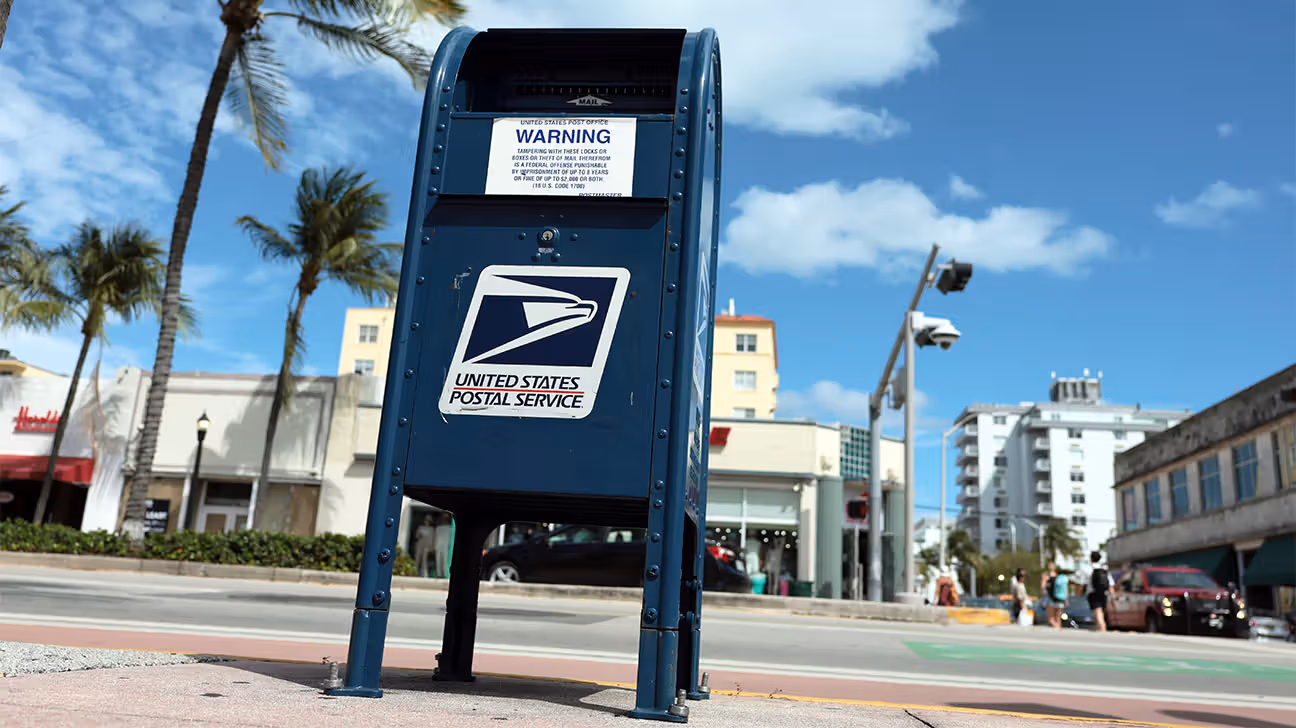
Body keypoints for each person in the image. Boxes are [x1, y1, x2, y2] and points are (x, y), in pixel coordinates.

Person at [1087, 551, 1113, 632]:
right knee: (1101, 613)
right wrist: (1113, 597)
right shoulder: (1104, 569)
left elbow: (1081, 583)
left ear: (1091, 558)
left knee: (1097, 612)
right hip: (1104, 594)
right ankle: (1100, 627)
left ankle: (1102, 629)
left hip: (1093, 593)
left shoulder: (1088, 568)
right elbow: (1111, 584)